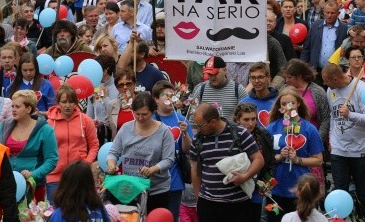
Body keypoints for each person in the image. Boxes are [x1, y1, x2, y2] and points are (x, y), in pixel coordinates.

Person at [190, 102, 265, 222]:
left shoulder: (240, 133)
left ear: (213, 121)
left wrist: (245, 176)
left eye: (200, 126)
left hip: (237, 204)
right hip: (208, 204)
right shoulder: (198, 138)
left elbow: (259, 160)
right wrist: (198, 197)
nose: (198, 129)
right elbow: (195, 169)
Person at [106, 92, 175, 212]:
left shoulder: (164, 132)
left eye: (145, 114)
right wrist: (112, 164)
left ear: (153, 112)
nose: (140, 118)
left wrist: (152, 169)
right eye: (137, 114)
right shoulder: (126, 128)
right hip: (130, 188)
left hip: (156, 190)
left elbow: (168, 159)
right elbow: (113, 152)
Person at [322, 63, 365, 220]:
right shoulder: (331, 90)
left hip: (360, 149)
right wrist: (331, 137)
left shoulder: (361, 89)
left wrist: (350, 115)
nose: (324, 84)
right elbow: (332, 115)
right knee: (339, 191)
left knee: (362, 191)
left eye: (326, 81)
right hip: (339, 148)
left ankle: (363, 217)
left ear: (335, 78)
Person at [266, 88, 324, 222]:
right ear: (279, 106)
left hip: (300, 190)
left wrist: (297, 159)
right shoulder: (272, 128)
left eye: (291, 103)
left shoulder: (309, 129)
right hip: (276, 190)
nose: (287, 107)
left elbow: (318, 160)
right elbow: (265, 159)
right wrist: (279, 157)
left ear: (298, 103)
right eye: (283, 104)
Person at [0, 90, 59, 203]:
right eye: (12, 106)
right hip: (6, 184)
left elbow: (52, 160)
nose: (13, 109)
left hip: (33, 186)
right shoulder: (4, 126)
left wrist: (34, 174)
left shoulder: (45, 130)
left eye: (17, 106)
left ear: (29, 109)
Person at [46, 84, 99, 204]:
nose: (68, 105)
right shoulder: (49, 123)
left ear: (76, 102)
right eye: (64, 102)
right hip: (55, 175)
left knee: (80, 210)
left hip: (79, 174)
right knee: (55, 211)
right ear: (58, 103)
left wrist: (86, 163)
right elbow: (45, 150)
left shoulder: (85, 120)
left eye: (71, 102)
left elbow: (94, 145)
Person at [151, 80, 193, 222]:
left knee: (172, 217)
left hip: (174, 180)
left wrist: (185, 133)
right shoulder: (149, 119)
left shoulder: (181, 120)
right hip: (153, 180)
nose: (169, 98)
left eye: (172, 95)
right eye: (165, 95)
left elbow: (187, 150)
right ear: (156, 99)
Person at [233, 102, 275, 222]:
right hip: (236, 188)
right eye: (246, 119)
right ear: (237, 120)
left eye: (253, 119)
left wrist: (267, 183)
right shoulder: (230, 136)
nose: (250, 123)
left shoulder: (264, 135)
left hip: (257, 187)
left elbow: (270, 162)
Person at [300, 0, 348, 77]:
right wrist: (302, 67)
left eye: (332, 13)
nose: (329, 15)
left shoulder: (344, 28)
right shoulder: (315, 26)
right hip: (315, 71)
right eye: (327, 12)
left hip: (335, 73)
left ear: (338, 13)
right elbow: (306, 48)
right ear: (323, 12)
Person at [238, 63, 279, 128]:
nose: (256, 81)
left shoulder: (279, 101)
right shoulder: (244, 103)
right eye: (253, 78)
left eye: (260, 77)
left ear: (268, 78)